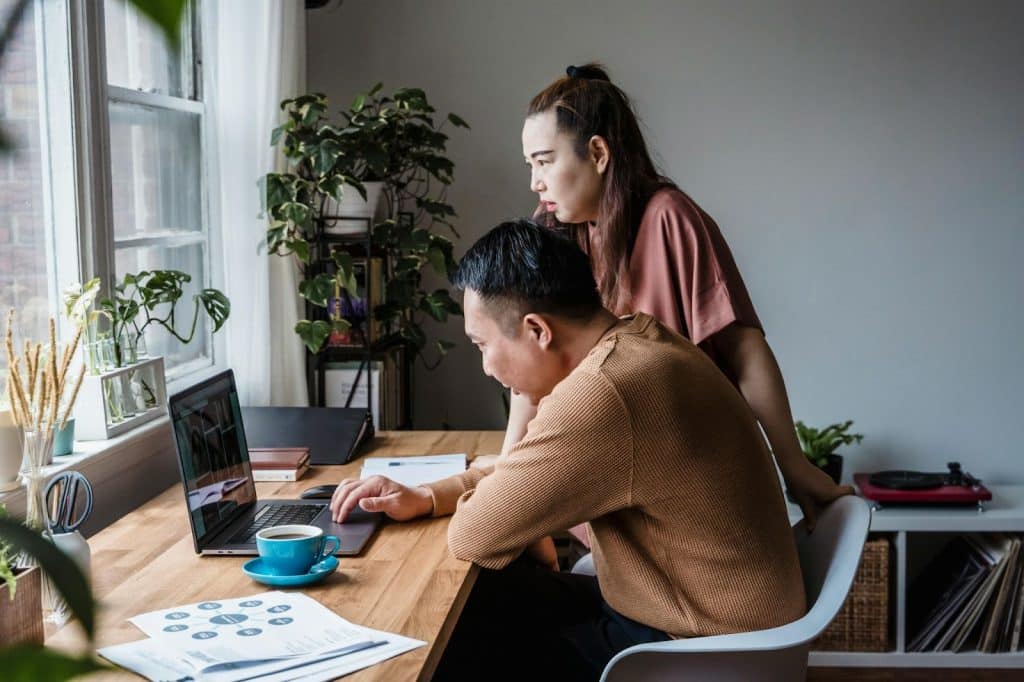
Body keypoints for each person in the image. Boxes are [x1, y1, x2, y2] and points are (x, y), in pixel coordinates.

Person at [329, 220, 805, 681]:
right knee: (492, 596)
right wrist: (431, 495)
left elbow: (476, 533)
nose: (487, 367)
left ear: (538, 330)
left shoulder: (605, 391)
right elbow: (527, 472)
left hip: (692, 648)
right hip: (702, 616)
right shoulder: (639, 342)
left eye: (482, 344)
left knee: (453, 635)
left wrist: (491, 493)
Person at [514, 64, 853, 545]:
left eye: (544, 162)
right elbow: (526, 364)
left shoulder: (670, 219)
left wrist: (793, 465)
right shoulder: (554, 232)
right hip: (610, 480)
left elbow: (744, 349)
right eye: (530, 165)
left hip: (683, 491)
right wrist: (510, 472)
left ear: (598, 153)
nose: (535, 182)